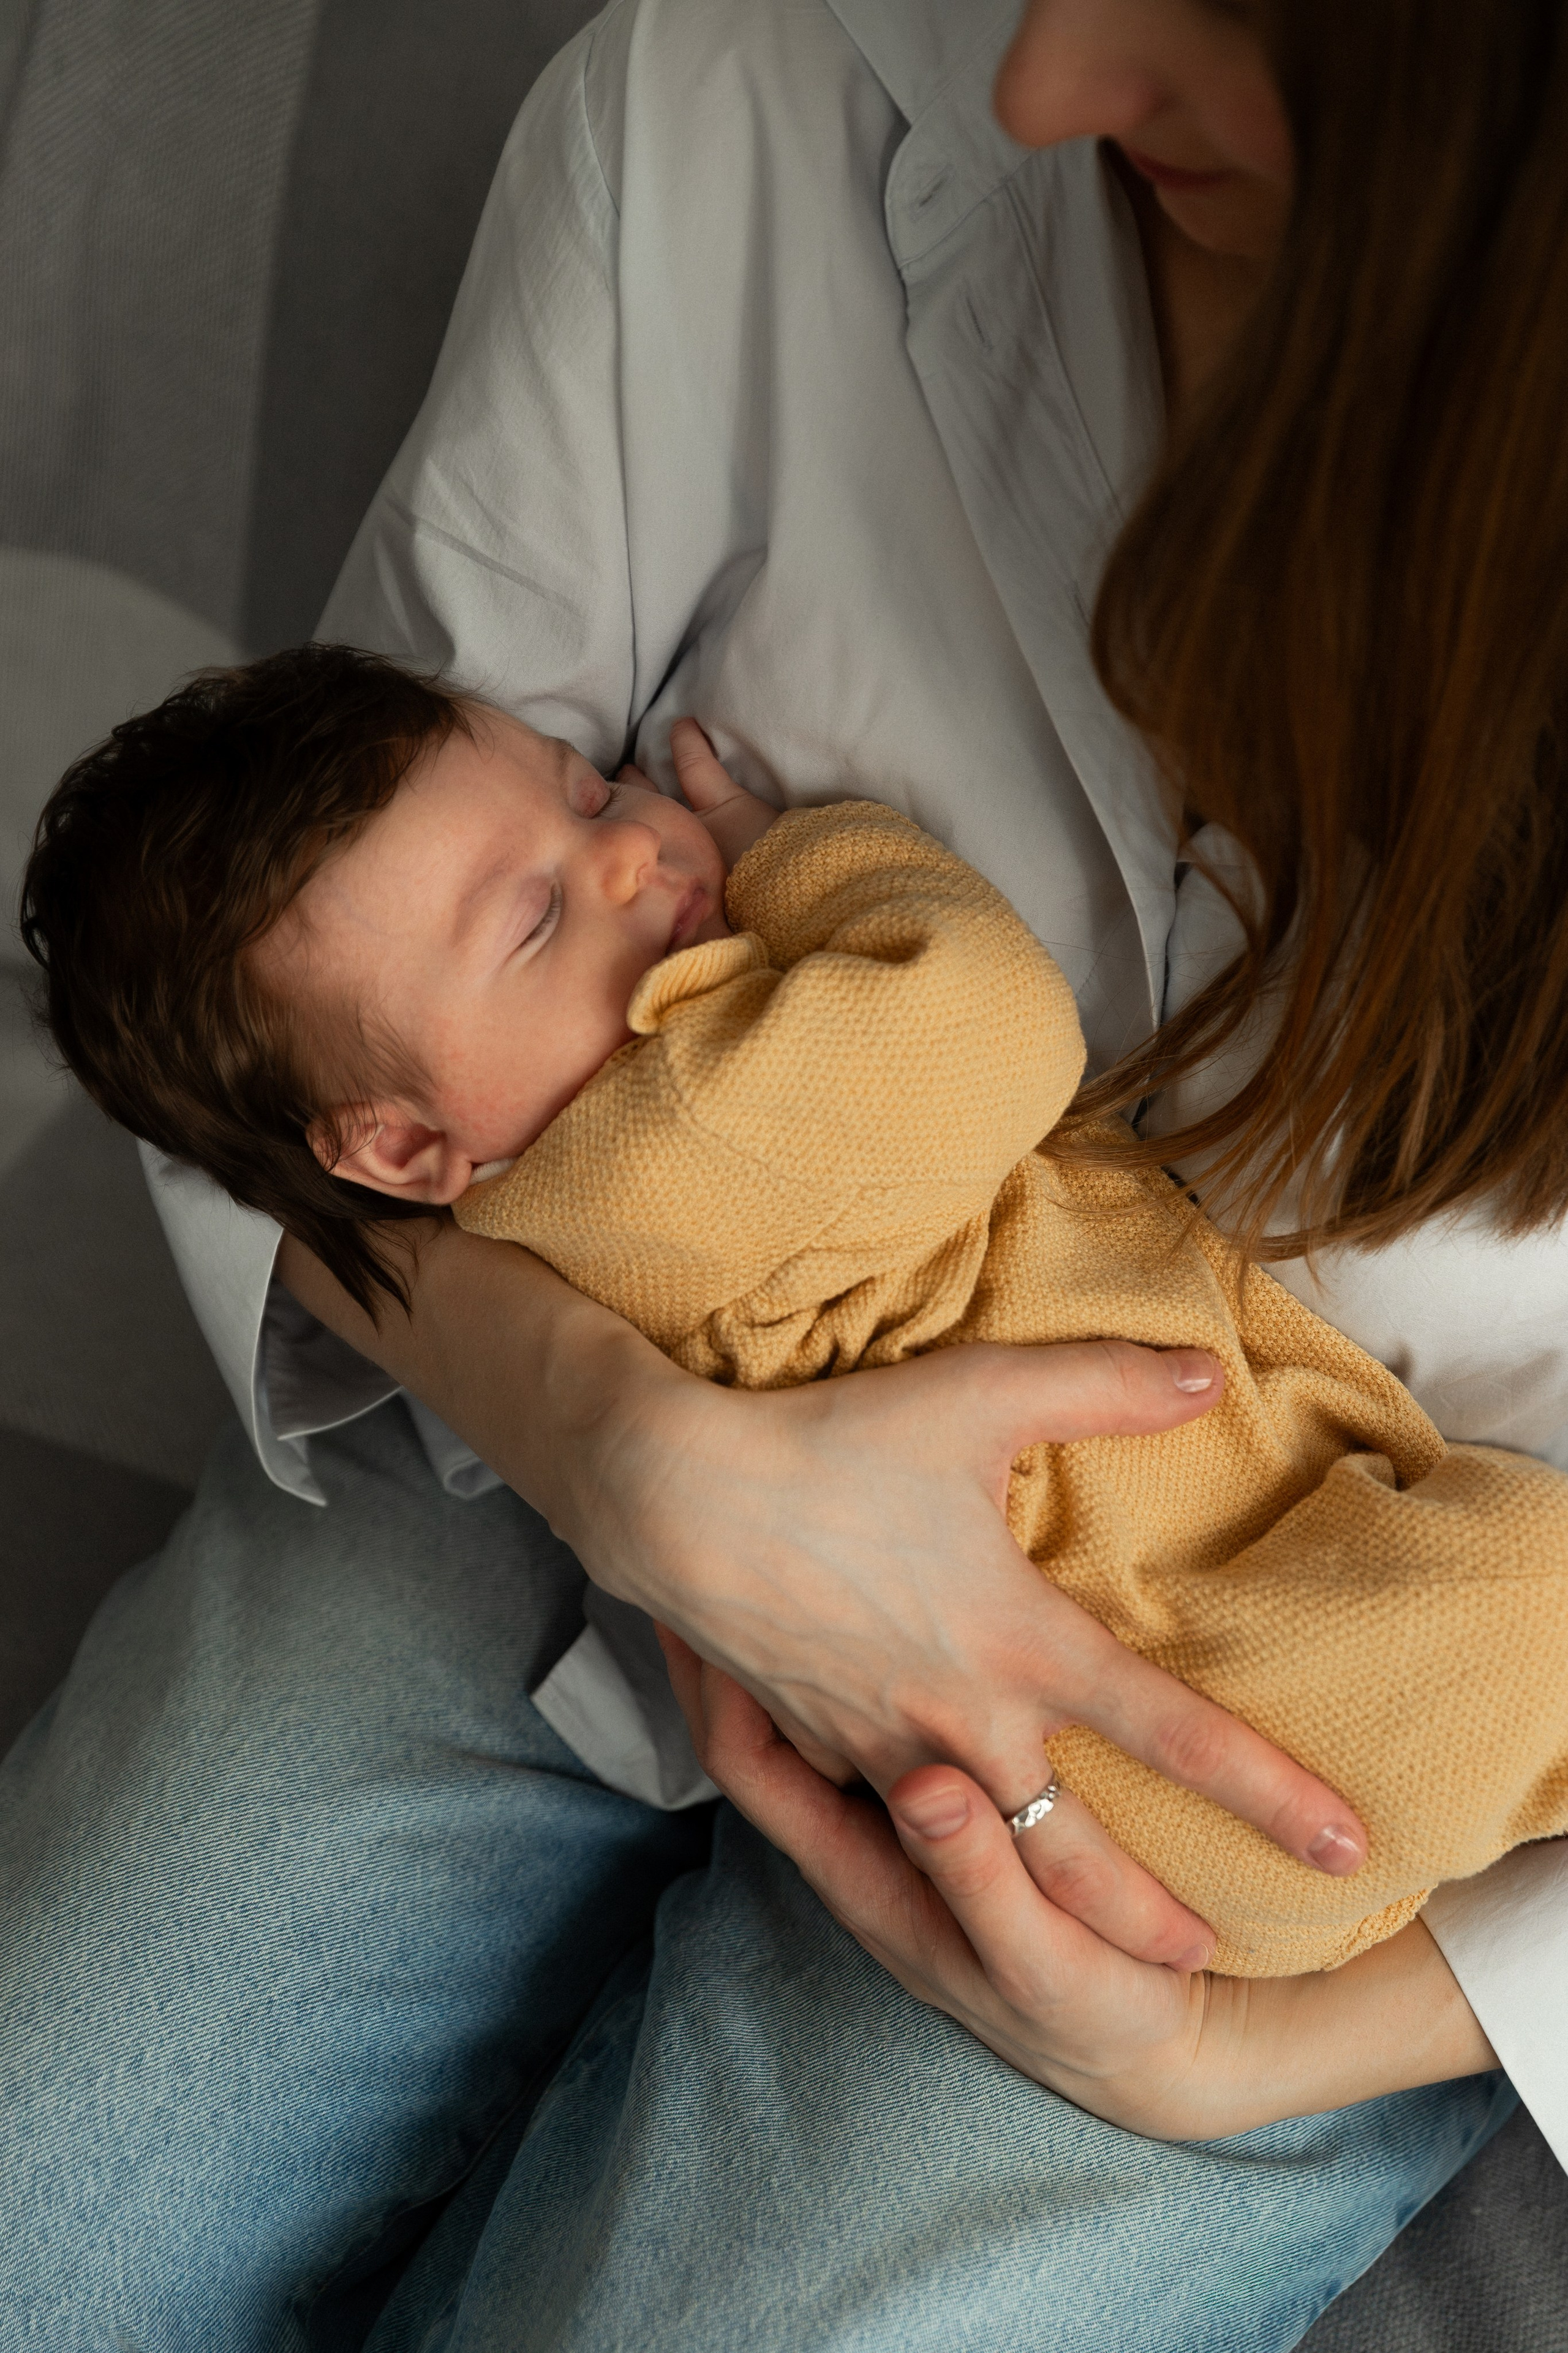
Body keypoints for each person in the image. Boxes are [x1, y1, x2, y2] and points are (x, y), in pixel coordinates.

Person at [2, 1, 1564, 2347]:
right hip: (527, 1434)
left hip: (1253, 1711)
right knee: (46, 2189)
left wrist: (1231, 2047)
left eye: (1236, 18)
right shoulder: (750, 91)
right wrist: (632, 1454)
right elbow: (302, 975)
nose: (1041, 84)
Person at [23, 642, 1568, 1984]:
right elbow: (990, 1025)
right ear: (410, 1153)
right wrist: (809, 857)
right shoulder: (687, 1126)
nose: (631, 851)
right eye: (538, 924)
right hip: (1166, 1686)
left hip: (1142, 1703)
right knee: (1521, 1601)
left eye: (581, 789)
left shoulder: (547, 1175)